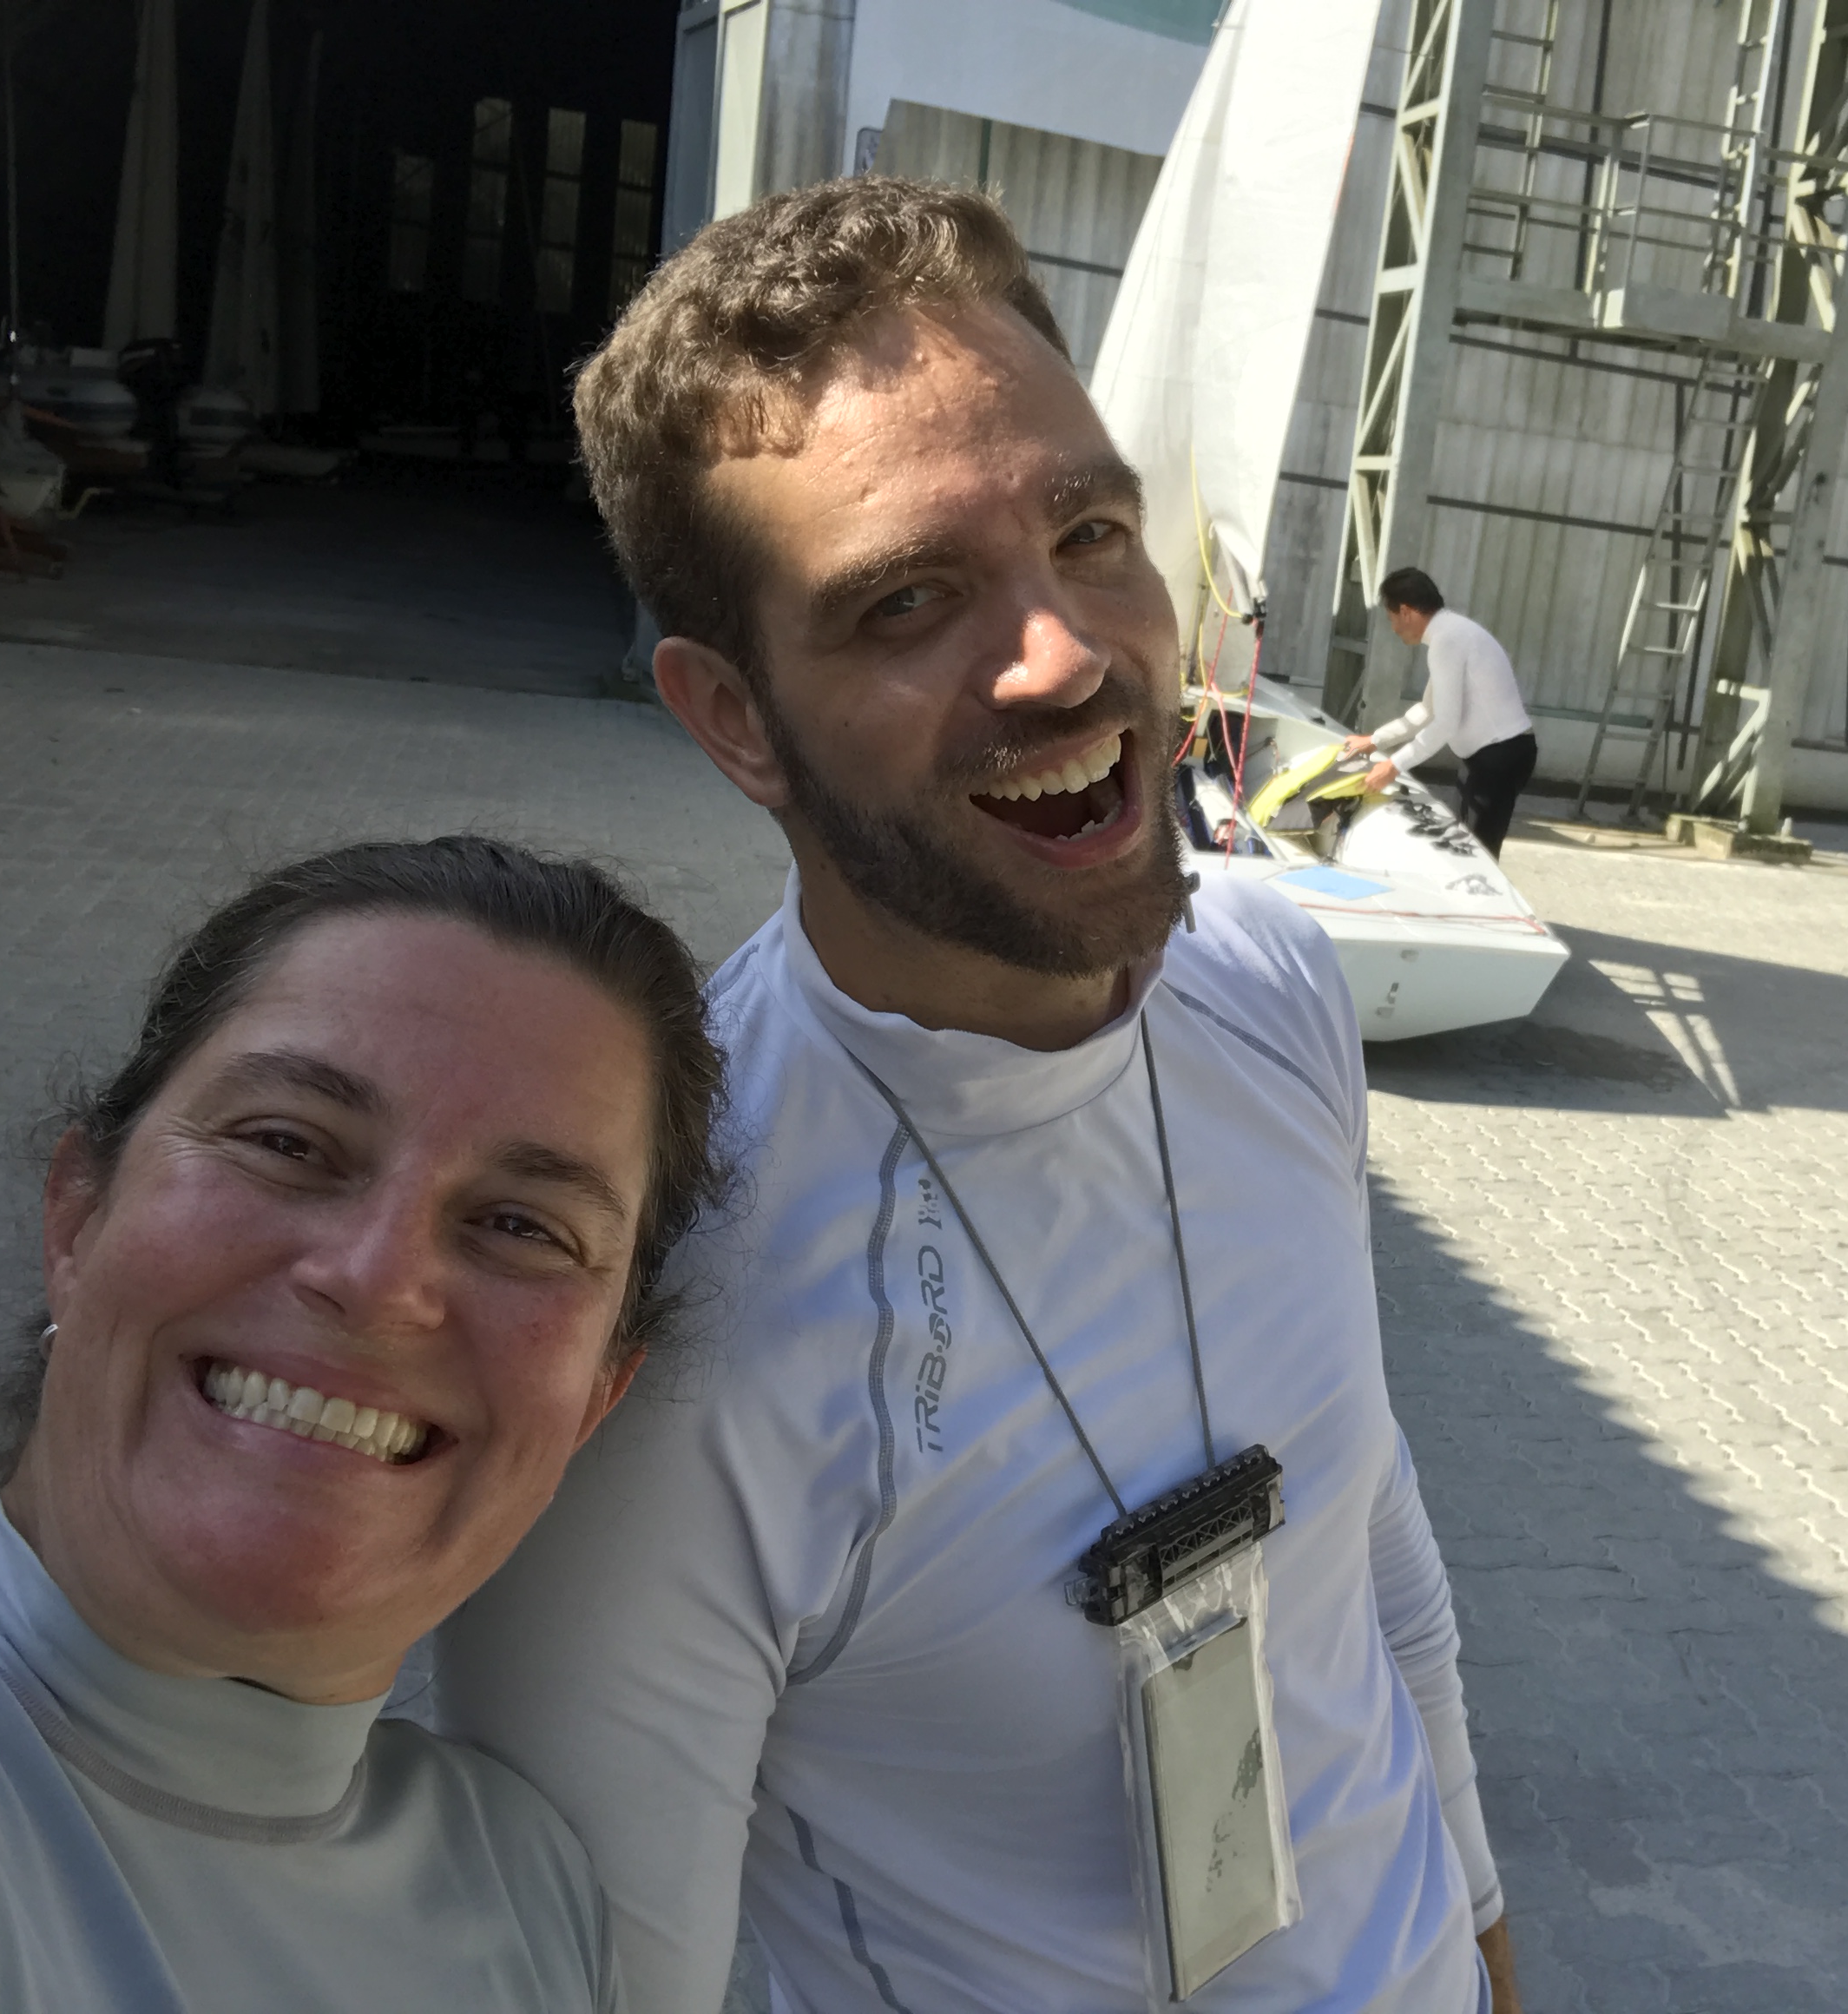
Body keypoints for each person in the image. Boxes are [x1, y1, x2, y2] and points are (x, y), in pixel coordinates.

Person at [431, 179, 1522, 2013]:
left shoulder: (1268, 982)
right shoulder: (668, 1310)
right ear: (733, 718)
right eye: (907, 601)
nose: (1067, 653)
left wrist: (1482, 1932)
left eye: (1088, 530)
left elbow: (1365, 1540)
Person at [0, 838, 728, 2012]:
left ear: (595, 1399)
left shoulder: (531, 1892)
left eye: (523, 1226)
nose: (378, 1279)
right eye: (288, 1143)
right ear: (77, 1219)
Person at [1342, 569, 1539, 856]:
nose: (1393, 628)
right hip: (1496, 756)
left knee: (1474, 857)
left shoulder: (1447, 640)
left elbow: (1445, 723)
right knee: (1462, 849)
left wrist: (1393, 766)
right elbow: (1428, 710)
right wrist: (1375, 740)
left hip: (1499, 758)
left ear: (1406, 611)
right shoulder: (1452, 632)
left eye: (1391, 618)